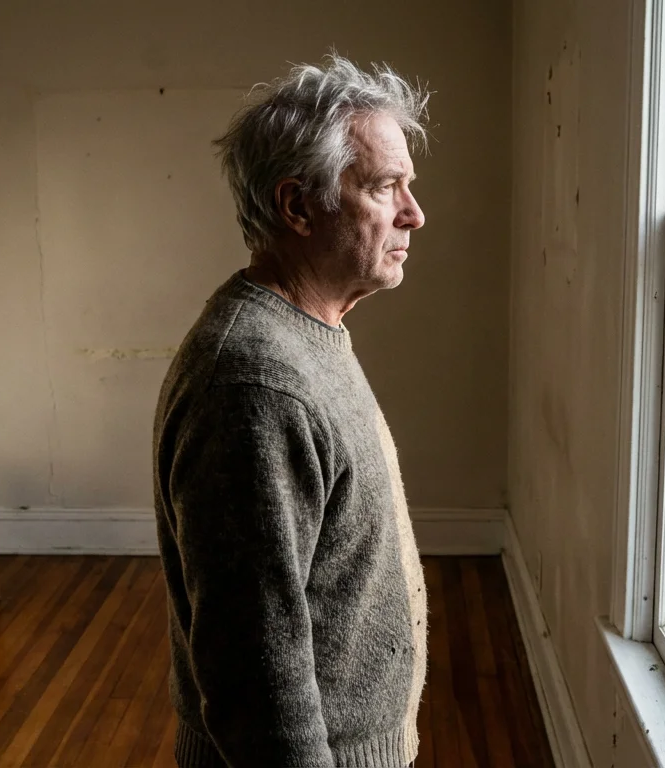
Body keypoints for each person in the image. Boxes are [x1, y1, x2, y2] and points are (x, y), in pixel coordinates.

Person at [151, 53, 430, 768]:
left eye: (409, 185)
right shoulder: (255, 387)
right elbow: (254, 676)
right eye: (384, 187)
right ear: (298, 206)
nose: (414, 214)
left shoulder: (310, 333)